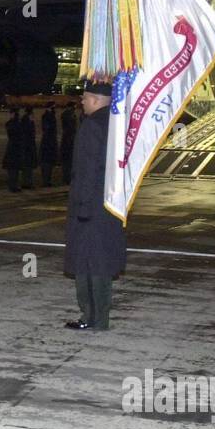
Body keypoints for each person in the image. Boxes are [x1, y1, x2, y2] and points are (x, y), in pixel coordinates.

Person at [63, 79, 126, 330]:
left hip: (90, 206)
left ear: (97, 100)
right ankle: (100, 318)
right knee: (101, 261)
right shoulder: (116, 123)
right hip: (111, 204)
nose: (82, 101)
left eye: (85, 97)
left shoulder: (92, 125)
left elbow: (87, 170)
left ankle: (91, 317)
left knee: (87, 263)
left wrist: (83, 208)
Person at [17, 106, 38, 188]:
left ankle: (28, 182)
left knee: (28, 165)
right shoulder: (26, 121)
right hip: (27, 146)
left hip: (28, 146)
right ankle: (27, 182)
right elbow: (27, 133)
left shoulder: (27, 120)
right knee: (27, 165)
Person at [2, 108, 22, 191]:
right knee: (13, 169)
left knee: (14, 169)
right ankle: (12, 186)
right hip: (14, 148)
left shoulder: (12, 123)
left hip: (13, 147)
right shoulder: (14, 124)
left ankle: (14, 185)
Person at [39, 102, 59, 187]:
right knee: (47, 162)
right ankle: (46, 180)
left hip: (50, 140)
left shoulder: (50, 115)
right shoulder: (47, 116)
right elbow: (47, 128)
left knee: (50, 162)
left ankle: (47, 180)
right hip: (48, 141)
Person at [60, 102, 77, 184]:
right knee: (67, 161)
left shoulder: (69, 114)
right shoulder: (68, 115)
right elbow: (70, 127)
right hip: (68, 139)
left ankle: (67, 177)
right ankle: (66, 178)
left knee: (68, 161)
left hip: (68, 139)